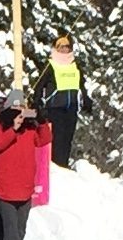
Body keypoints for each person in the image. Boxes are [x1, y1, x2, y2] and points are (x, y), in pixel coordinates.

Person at [0, 90, 52, 240]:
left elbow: (44, 139)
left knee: (20, 226)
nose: (19, 113)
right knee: (10, 225)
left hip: (25, 185)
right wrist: (13, 128)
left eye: (21, 108)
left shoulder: (30, 127)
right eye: (14, 109)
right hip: (4, 184)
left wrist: (41, 121)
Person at [32, 32, 92, 167]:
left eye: (67, 46)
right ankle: (56, 166)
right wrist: (36, 103)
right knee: (57, 140)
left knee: (67, 140)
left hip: (71, 107)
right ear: (55, 47)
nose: (64, 49)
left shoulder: (75, 65)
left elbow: (81, 84)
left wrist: (86, 99)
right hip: (55, 107)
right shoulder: (50, 65)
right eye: (61, 46)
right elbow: (39, 85)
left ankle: (64, 165)